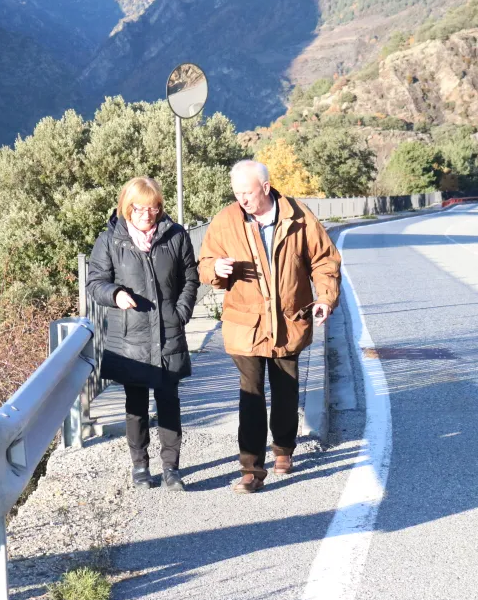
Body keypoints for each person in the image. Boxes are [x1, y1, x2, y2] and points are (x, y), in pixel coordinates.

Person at [198, 160, 341, 494]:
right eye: (236, 193)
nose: (241, 199)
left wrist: (325, 298)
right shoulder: (226, 220)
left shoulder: (299, 216)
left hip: (289, 321)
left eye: (247, 192)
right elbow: (205, 266)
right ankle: (250, 469)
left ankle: (283, 449)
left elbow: (324, 260)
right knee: (251, 394)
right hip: (245, 324)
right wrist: (216, 268)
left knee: (286, 390)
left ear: (265, 187)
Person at [87, 177, 200, 491]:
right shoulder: (109, 239)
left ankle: (171, 469)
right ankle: (140, 467)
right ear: (127, 206)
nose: (146, 214)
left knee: (169, 401)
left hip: (168, 333)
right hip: (129, 337)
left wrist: (180, 313)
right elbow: (95, 282)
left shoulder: (176, 236)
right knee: (135, 405)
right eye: (139, 208)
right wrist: (114, 294)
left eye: (152, 208)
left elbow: (191, 279)